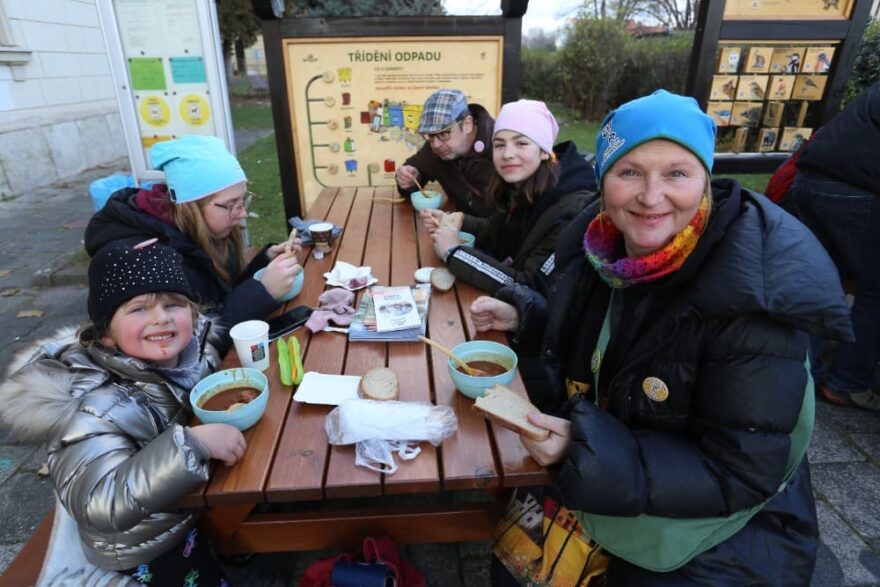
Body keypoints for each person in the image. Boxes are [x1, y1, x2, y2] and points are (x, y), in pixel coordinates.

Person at [478, 90, 853, 585]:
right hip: (617, 466)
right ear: (602, 179)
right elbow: (606, 344)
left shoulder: (749, 297)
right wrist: (529, 313)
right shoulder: (598, 249)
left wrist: (583, 450)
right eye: (629, 172)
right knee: (511, 569)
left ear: (705, 179)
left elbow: (738, 469)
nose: (651, 197)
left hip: (726, 526)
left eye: (676, 173)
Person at [0, 238, 245, 583]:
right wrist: (192, 444)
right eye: (138, 309)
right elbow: (100, 503)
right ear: (107, 337)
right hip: (143, 542)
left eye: (173, 303)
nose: (160, 318)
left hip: (181, 507)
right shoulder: (93, 407)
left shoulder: (191, 353)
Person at [85, 135, 301, 328]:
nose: (242, 213)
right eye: (230, 204)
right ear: (192, 206)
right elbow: (196, 339)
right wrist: (263, 292)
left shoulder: (201, 231)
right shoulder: (150, 257)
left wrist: (264, 261)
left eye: (242, 200)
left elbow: (219, 295)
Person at [423, 99, 596, 296]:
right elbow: (499, 233)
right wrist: (454, 221)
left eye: (521, 143)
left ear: (544, 151)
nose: (507, 154)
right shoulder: (519, 185)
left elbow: (530, 285)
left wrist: (454, 253)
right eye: (499, 145)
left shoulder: (570, 209)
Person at [791, 82, 880, 412]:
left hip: (810, 179)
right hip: (860, 190)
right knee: (877, 290)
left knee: (821, 279)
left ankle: (801, 373)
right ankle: (848, 382)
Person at [395, 89, 496, 218]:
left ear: (467, 124)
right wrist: (409, 179)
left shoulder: (501, 146)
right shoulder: (437, 148)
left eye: (444, 133)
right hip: (457, 229)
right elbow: (411, 178)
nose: (436, 144)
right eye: (430, 135)